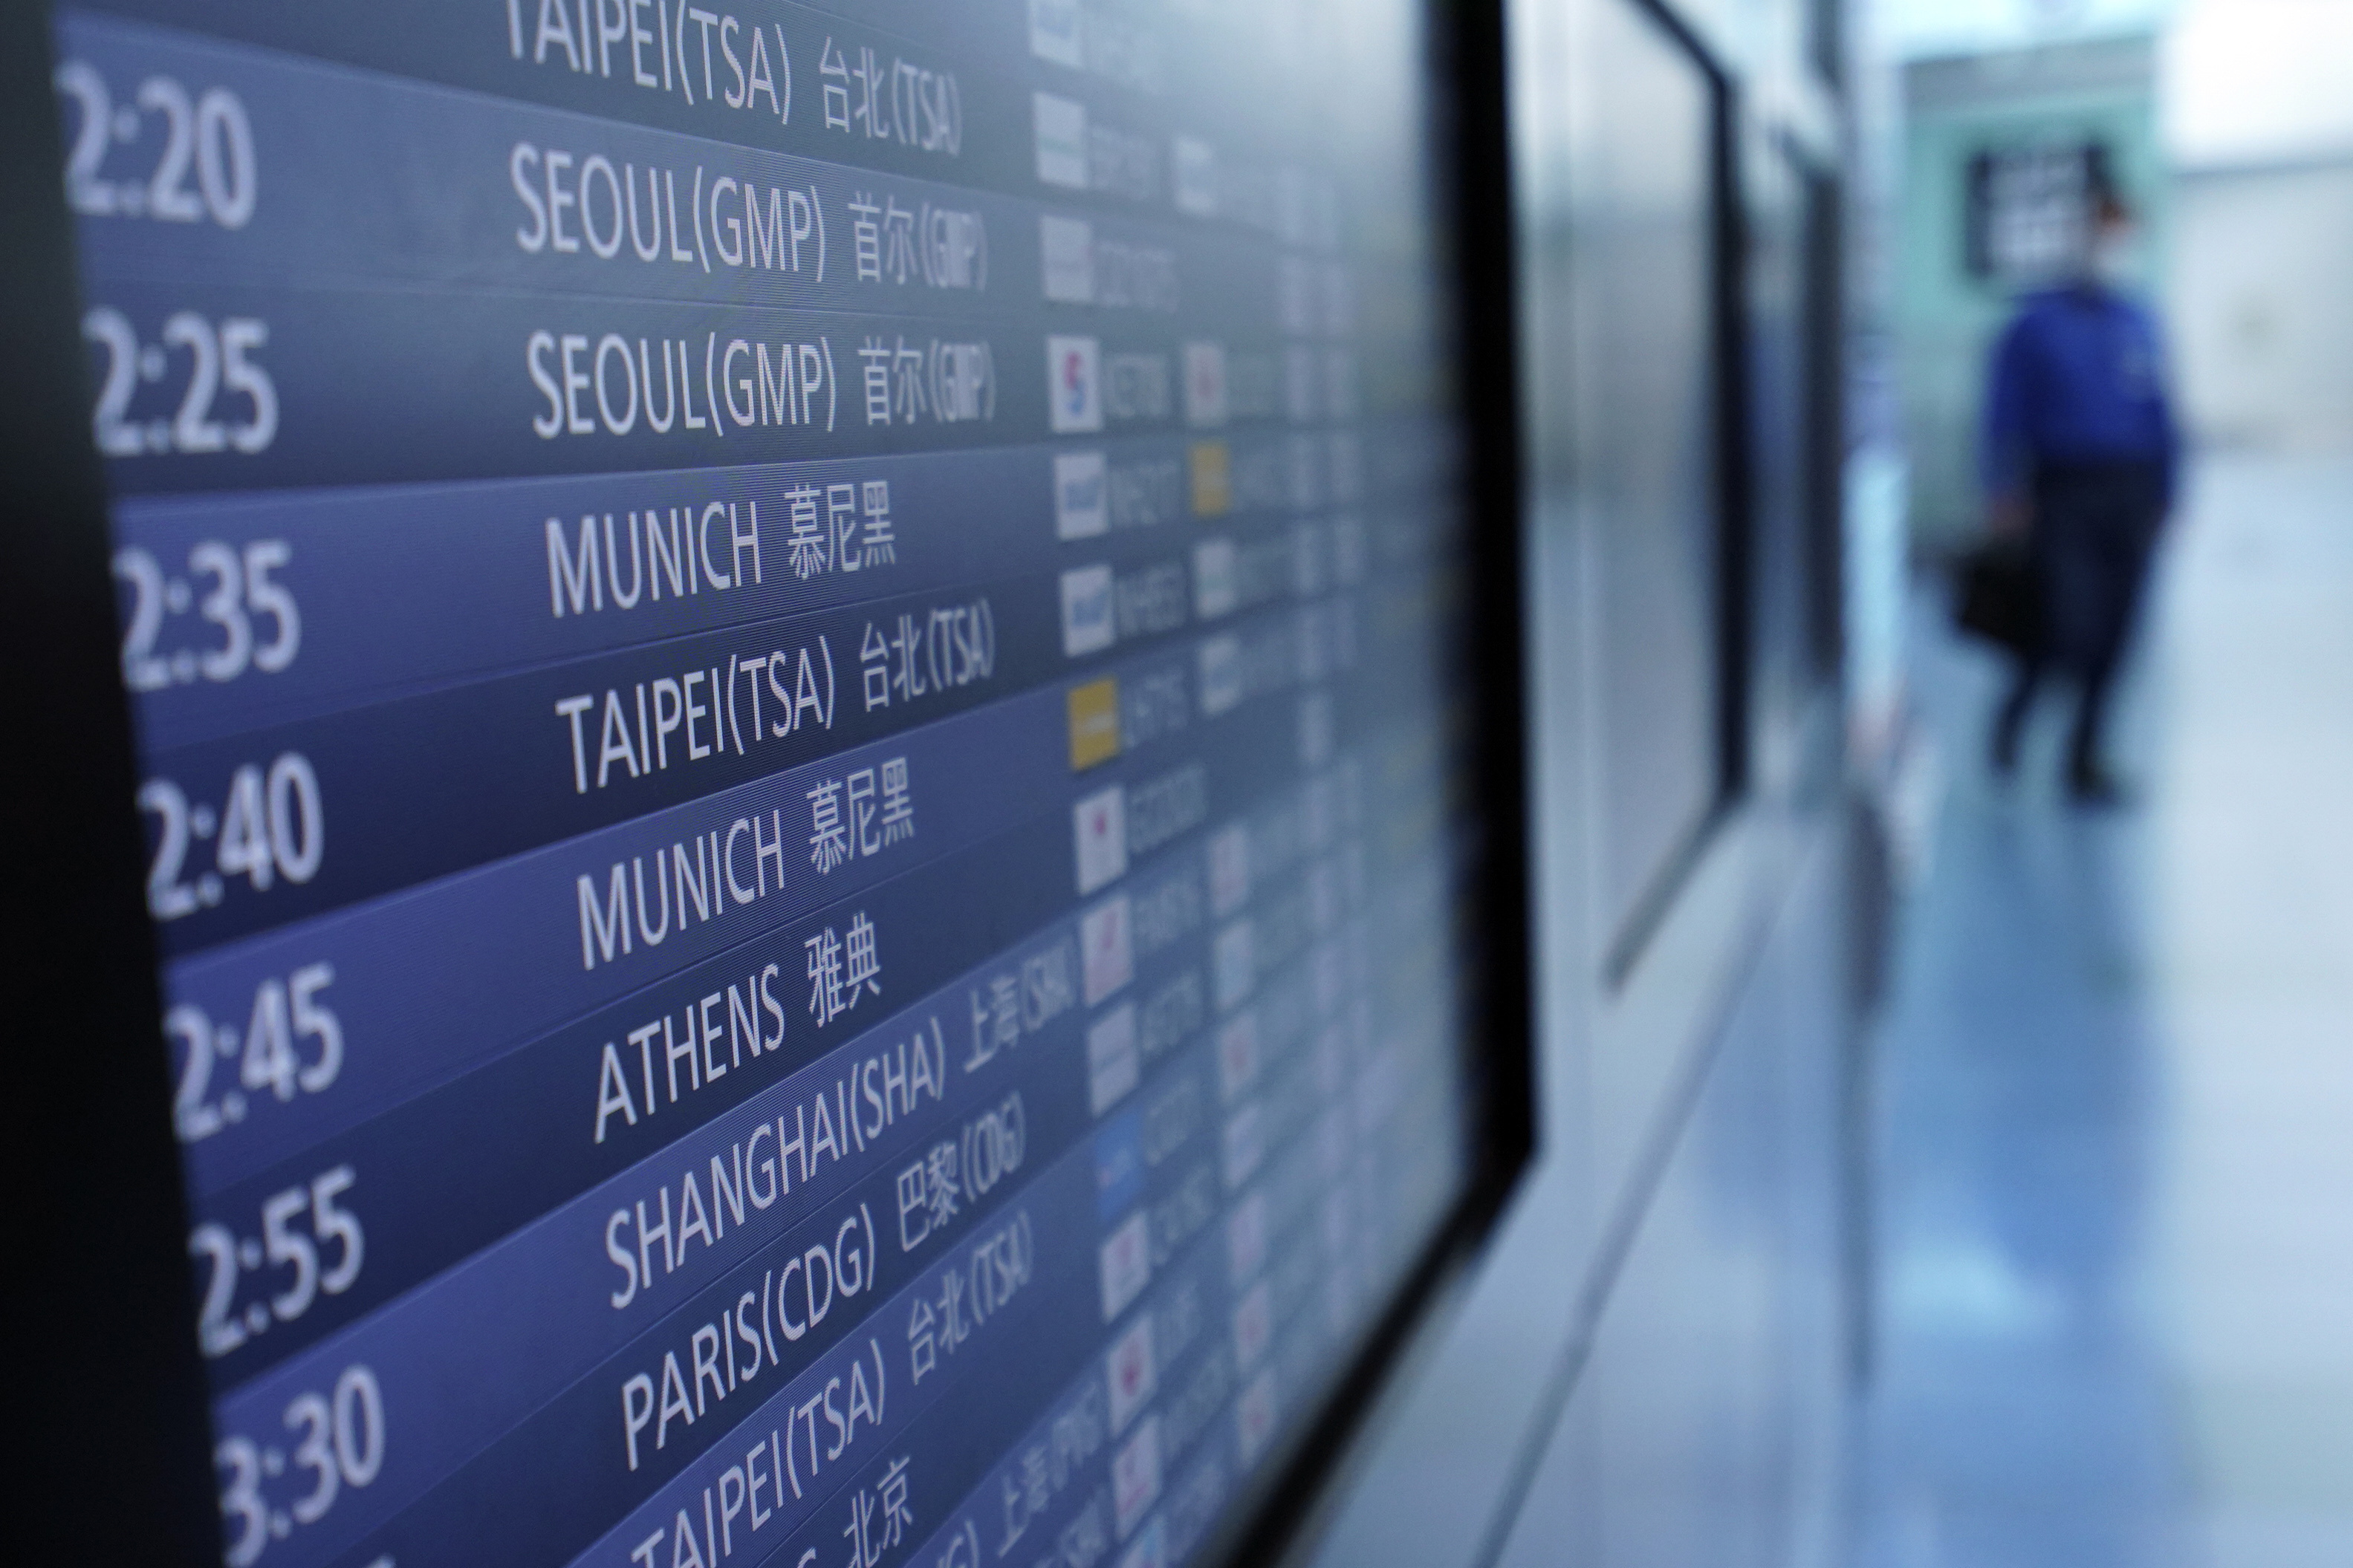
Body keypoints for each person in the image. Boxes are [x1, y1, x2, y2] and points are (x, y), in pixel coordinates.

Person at [1980, 189, 2178, 804]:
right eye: (2102, 236)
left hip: (2131, 490)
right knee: (2063, 621)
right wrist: (1999, 487)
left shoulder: (2139, 320)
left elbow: (2163, 413)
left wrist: (2172, 491)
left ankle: (2085, 757)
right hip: (2061, 489)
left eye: (2121, 238)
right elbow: (1999, 412)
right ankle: (2013, 715)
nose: (2111, 251)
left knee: (2119, 629)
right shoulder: (2034, 324)